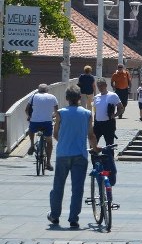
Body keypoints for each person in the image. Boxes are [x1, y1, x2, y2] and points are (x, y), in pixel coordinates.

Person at [47, 85, 97, 229]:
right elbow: (91, 135)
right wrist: (95, 148)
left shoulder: (60, 113)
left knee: (58, 186)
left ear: (67, 98)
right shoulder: (87, 114)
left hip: (63, 153)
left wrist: (64, 142)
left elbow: (55, 133)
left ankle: (55, 215)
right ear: (80, 98)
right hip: (80, 155)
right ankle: (73, 218)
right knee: (77, 188)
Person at [92, 78, 123, 185]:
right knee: (93, 145)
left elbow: (121, 108)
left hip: (108, 123)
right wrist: (94, 121)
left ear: (105, 85)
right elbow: (96, 111)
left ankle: (110, 168)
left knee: (109, 145)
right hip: (98, 124)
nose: (100, 87)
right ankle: (95, 165)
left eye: (102, 85)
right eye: (98, 85)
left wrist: (114, 116)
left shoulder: (112, 95)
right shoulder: (96, 97)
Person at [26, 84, 58, 171]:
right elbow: (56, 111)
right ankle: (48, 163)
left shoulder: (34, 96)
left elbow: (27, 109)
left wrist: (29, 116)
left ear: (38, 90)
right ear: (47, 90)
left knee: (31, 129)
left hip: (35, 122)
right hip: (47, 123)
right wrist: (53, 116)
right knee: (49, 143)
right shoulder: (52, 97)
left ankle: (32, 144)